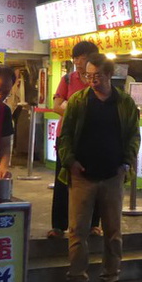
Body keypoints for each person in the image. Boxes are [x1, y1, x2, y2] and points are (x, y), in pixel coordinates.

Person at [57, 54, 140, 282]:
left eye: (97, 76)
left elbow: (134, 136)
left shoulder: (124, 102)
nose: (92, 81)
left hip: (113, 175)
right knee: (77, 230)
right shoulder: (78, 101)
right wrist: (70, 161)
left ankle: (111, 277)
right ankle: (77, 279)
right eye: (88, 76)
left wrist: (126, 163)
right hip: (82, 175)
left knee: (113, 230)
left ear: (109, 75)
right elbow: (66, 135)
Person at [48, 40, 101, 239]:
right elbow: (56, 105)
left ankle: (94, 224)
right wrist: (79, 108)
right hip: (67, 136)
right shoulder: (68, 79)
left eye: (83, 58)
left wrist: (69, 106)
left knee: (94, 179)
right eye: (75, 58)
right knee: (63, 179)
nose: (78, 62)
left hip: (93, 137)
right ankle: (58, 226)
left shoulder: (97, 79)